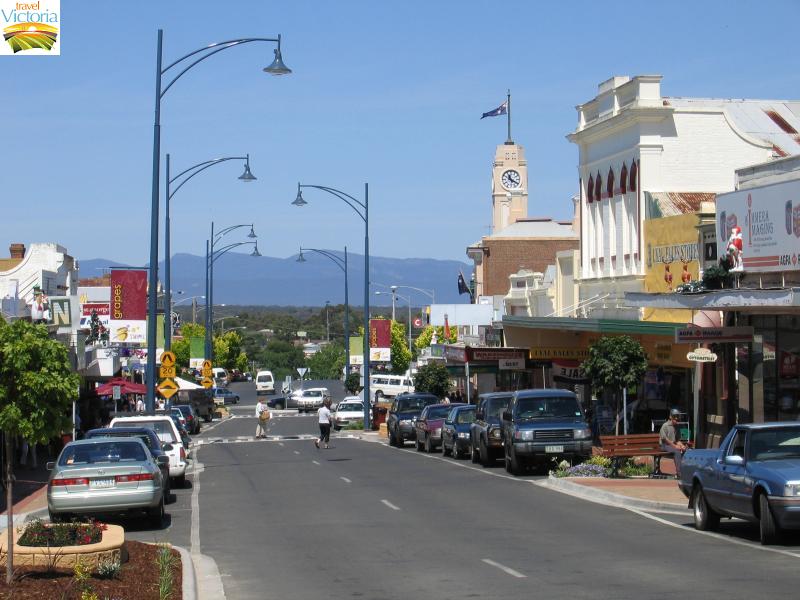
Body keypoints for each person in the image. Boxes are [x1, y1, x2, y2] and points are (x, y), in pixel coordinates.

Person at [659, 408, 687, 475]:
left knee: (686, 450)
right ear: (670, 417)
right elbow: (665, 439)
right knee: (676, 451)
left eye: (677, 416)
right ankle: (679, 473)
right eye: (674, 416)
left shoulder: (677, 426)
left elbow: (677, 440)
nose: (676, 418)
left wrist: (682, 445)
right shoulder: (665, 425)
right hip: (664, 445)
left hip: (672, 445)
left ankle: (686, 470)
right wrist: (675, 446)